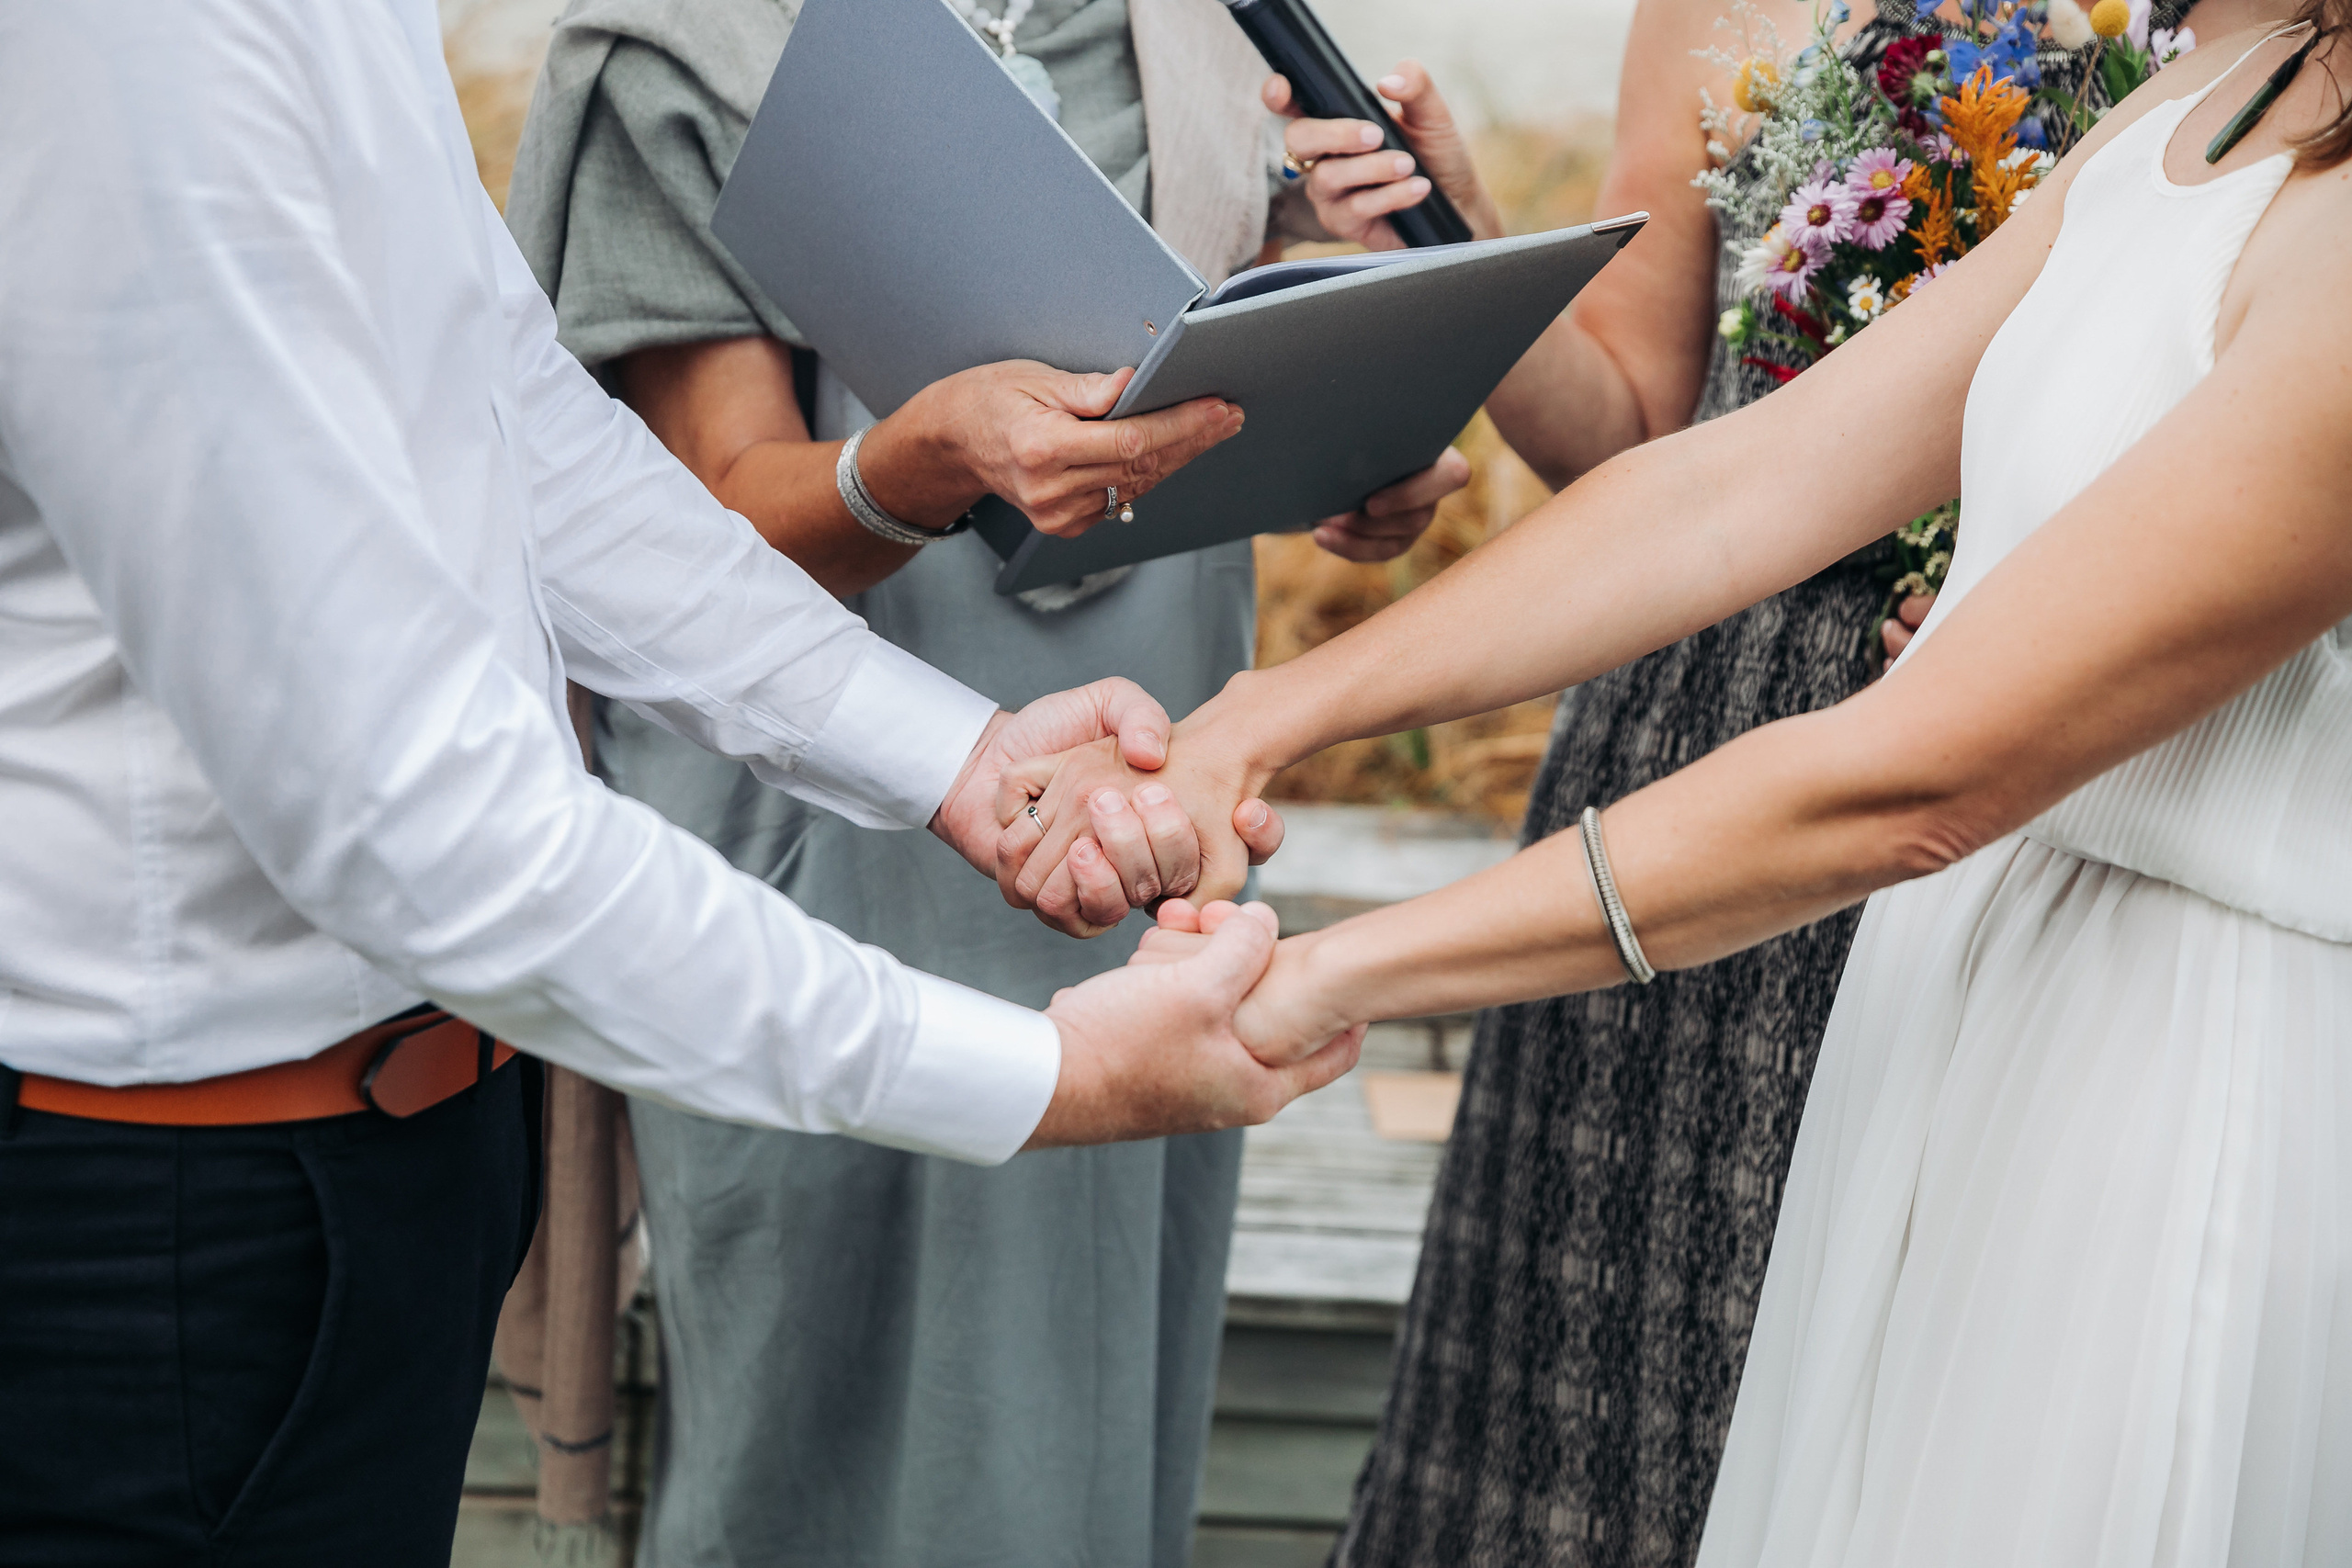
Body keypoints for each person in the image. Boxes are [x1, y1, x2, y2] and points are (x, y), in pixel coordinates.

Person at [0, 6, 1362, 1565]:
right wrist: (1040, 1075)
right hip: (166, 1210)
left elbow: (513, 429)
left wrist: (961, 757)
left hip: (401, 1145)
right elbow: (419, 826)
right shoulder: (130, 42)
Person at [1034, 11, 2352, 1561]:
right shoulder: (2218, 91)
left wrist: (1312, 982)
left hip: (2178, 1084)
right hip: (1965, 1013)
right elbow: (1737, 485)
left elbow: (1915, 779)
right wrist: (1254, 724)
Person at [498, 3, 1467, 1563]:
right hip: (831, 817)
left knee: (1091, 1386)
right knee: (817, 1400)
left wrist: (1360, 421)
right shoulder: (697, 39)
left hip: (1154, 790)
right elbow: (693, 533)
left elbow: (1208, 370)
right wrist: (932, 458)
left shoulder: (1211, 24)